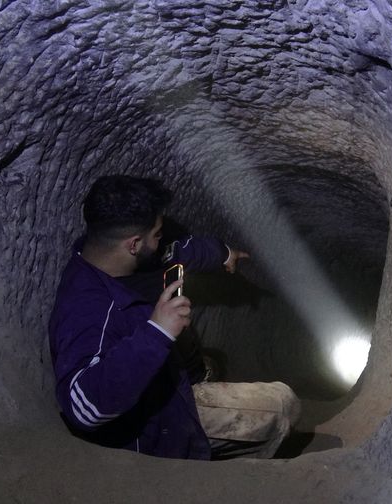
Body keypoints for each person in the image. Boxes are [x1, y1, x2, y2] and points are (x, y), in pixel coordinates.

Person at [48, 175, 300, 460]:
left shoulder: (112, 253)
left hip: (169, 375)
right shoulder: (85, 307)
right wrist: (157, 332)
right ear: (134, 244)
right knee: (283, 404)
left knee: (213, 363)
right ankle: (227, 473)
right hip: (156, 420)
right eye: (156, 234)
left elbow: (175, 251)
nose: (161, 239)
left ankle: (201, 382)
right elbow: (82, 407)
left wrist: (222, 253)